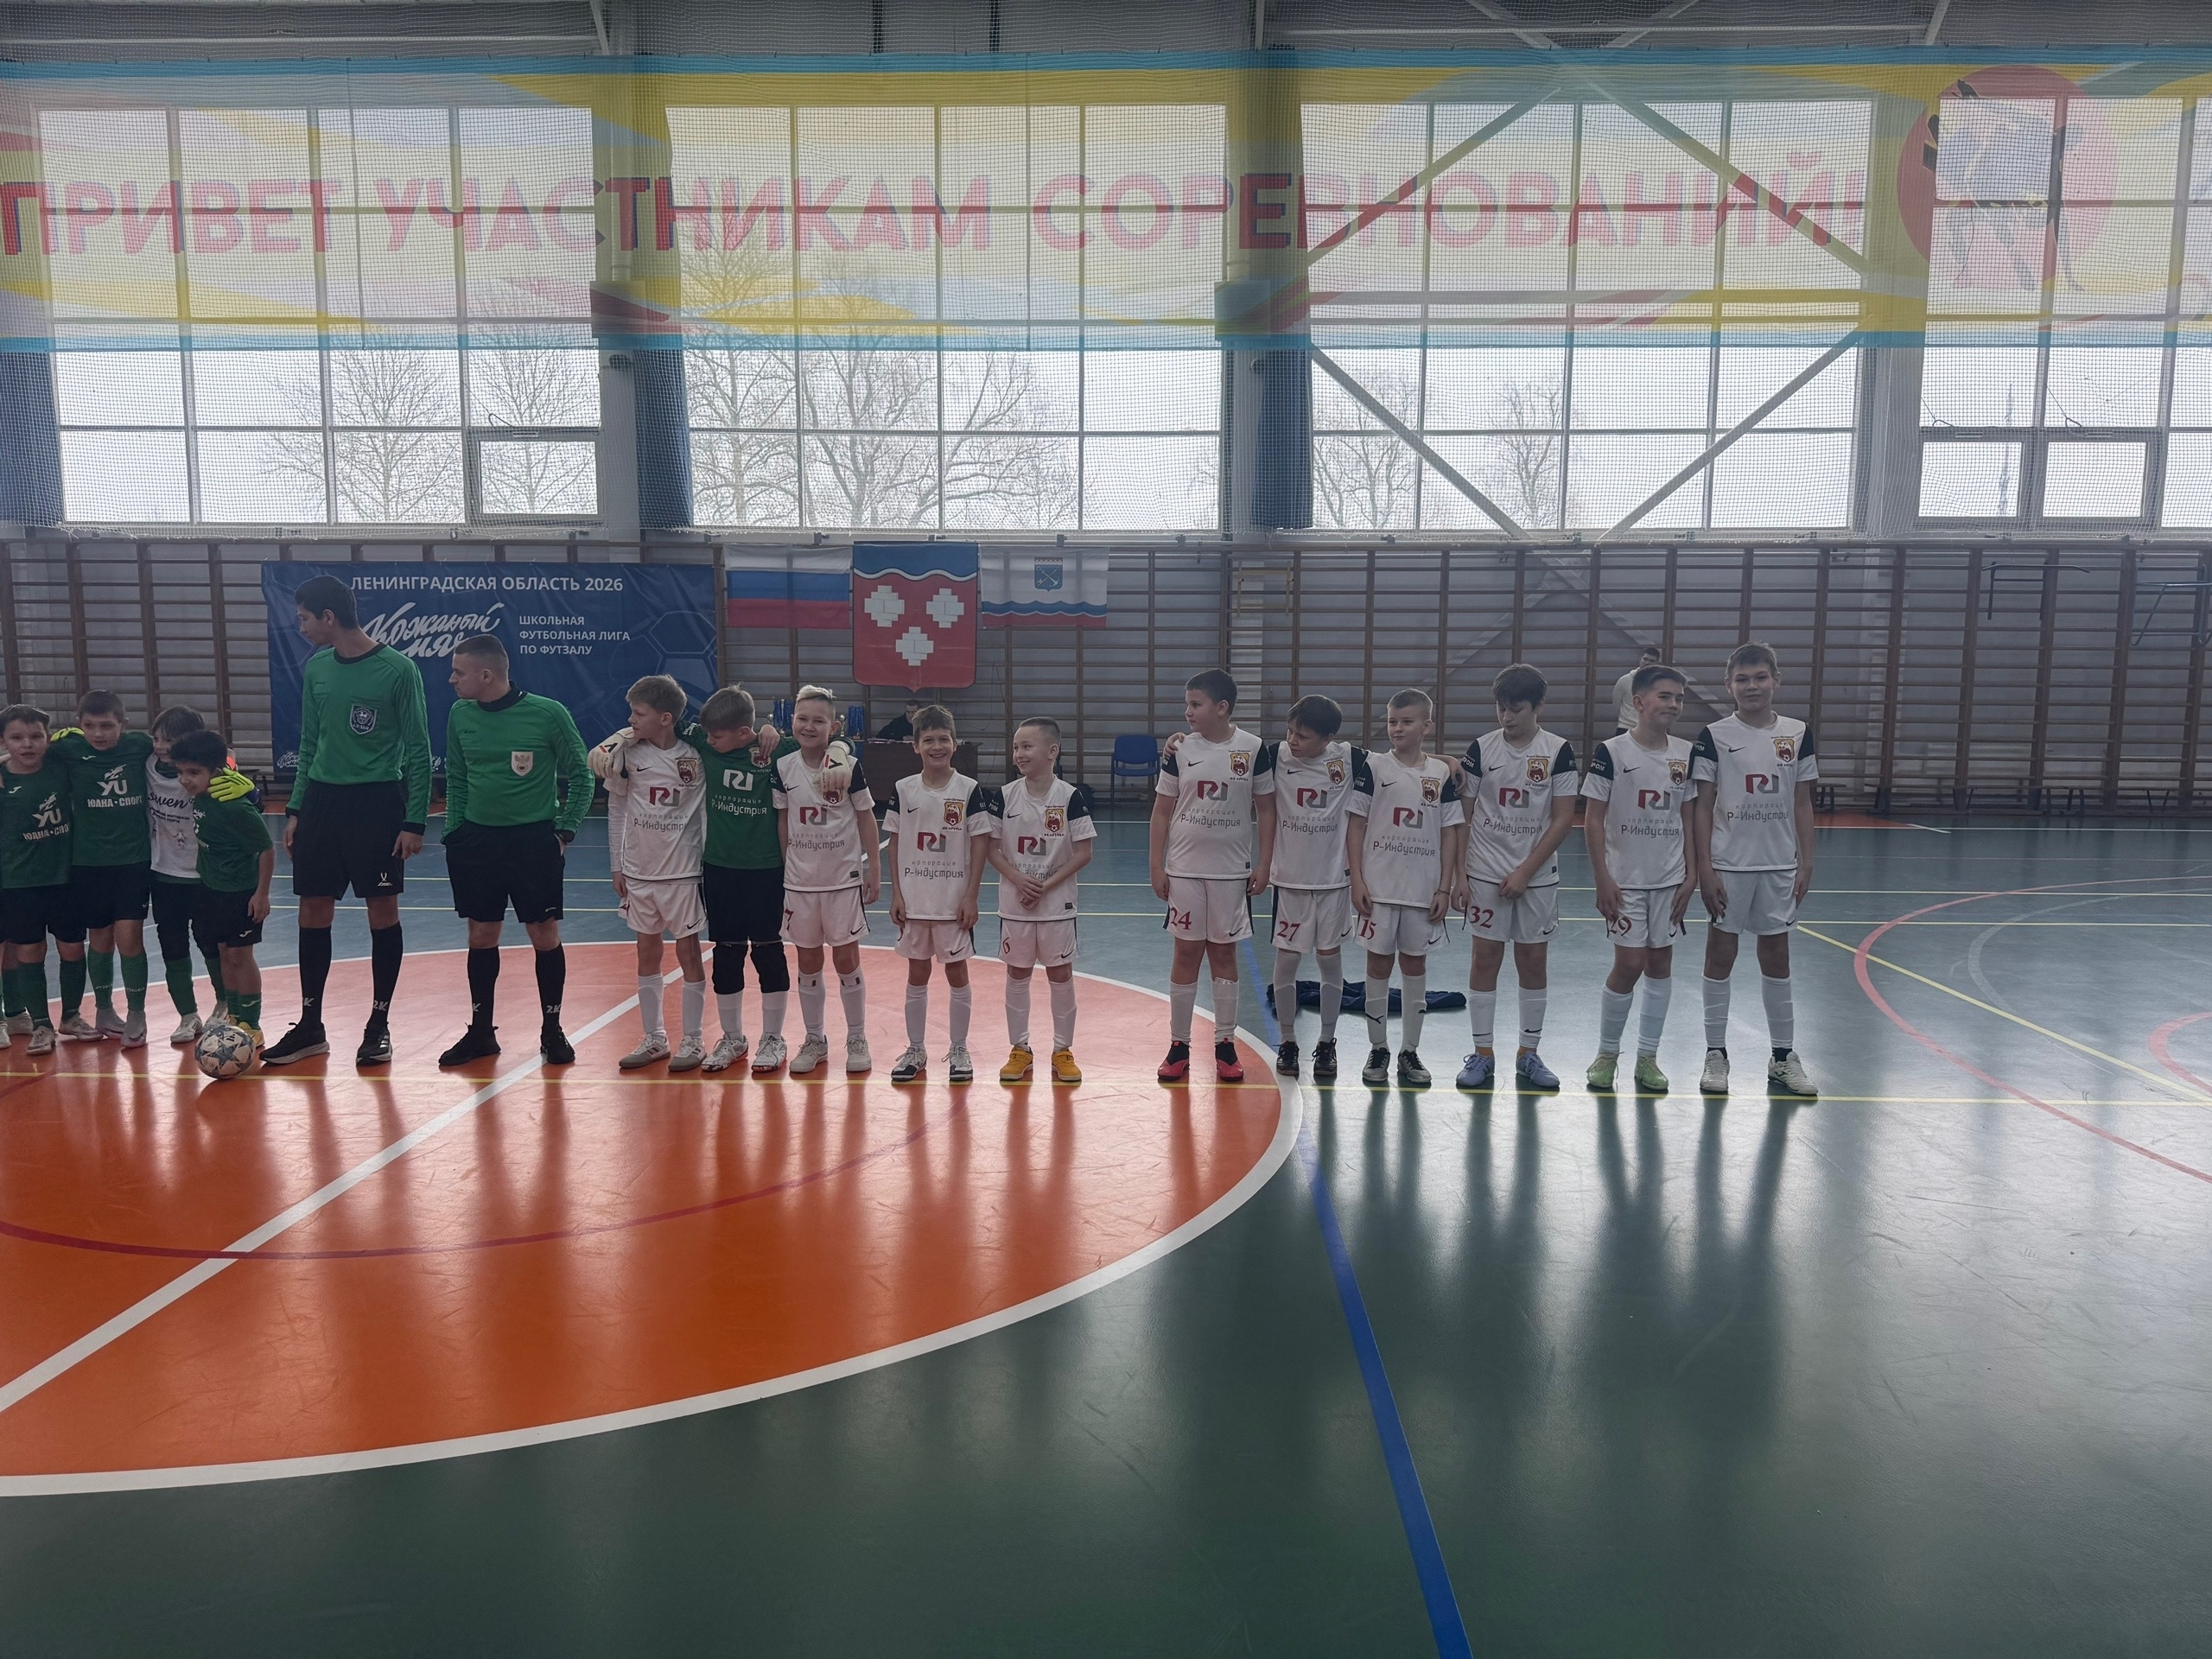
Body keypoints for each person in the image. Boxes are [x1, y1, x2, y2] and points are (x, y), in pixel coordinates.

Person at [262, 573, 432, 1068]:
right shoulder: (317, 667)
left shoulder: (398, 670)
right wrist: (296, 809)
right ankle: (310, 1026)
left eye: (304, 618)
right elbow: (309, 742)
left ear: (329, 617)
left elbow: (419, 749)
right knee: (313, 911)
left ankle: (378, 1026)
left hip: (377, 805)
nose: (301, 628)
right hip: (321, 803)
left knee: (383, 911)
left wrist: (414, 821)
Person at [436, 634, 592, 1069]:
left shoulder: (548, 714)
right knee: (481, 935)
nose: (451, 680)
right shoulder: (460, 714)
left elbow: (582, 775)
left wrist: (564, 831)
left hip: (532, 843)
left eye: (459, 672)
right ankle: (481, 1033)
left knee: (543, 934)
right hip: (476, 843)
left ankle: (552, 1029)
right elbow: (457, 777)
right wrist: (454, 832)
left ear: (486, 675)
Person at [1693, 642, 1820, 1098]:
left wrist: (1806, 861)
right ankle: (1715, 1055)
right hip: (1729, 864)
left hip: (1779, 864)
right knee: (1720, 956)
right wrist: (1705, 868)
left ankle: (1783, 1057)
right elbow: (1702, 806)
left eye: (1760, 677)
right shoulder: (1713, 735)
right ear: (1729, 686)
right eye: (1742, 679)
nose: (1752, 686)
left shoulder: (1797, 733)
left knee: (1777, 958)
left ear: (1775, 681)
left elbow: (1802, 801)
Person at [1452, 664, 1578, 1092]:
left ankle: (1529, 1053)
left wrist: (1525, 871)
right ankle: (1482, 1054)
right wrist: (1460, 875)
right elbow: (1463, 815)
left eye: (1517, 709)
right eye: (1501, 708)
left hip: (1536, 877)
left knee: (1533, 962)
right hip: (1485, 872)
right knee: (1484, 960)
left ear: (1538, 706)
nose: (1507, 717)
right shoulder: (1482, 749)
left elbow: (1563, 819)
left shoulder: (1558, 751)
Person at [1150, 669, 1276, 1084]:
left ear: (1222, 708)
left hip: (1231, 873)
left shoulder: (1253, 748)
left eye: (1196, 704)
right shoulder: (1179, 749)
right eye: (1187, 704)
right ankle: (1179, 1045)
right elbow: (1162, 810)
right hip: (1184, 870)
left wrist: (1264, 864)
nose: (1187, 712)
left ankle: (1225, 1044)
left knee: (1224, 956)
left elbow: (1267, 809)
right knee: (1185, 954)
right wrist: (1156, 865)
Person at [1581, 663, 1699, 1094]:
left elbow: (1688, 816)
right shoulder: (1612, 752)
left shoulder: (1686, 753)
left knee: (1661, 964)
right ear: (1638, 702)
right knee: (1629, 964)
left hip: (1669, 879)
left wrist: (1691, 875)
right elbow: (1593, 819)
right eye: (1664, 696)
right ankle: (1607, 1054)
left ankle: (1648, 1057)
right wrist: (1602, 877)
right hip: (1625, 880)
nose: (1673, 704)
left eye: (1679, 698)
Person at [1345, 689, 1463, 1089]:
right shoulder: (1374, 766)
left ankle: (1410, 1051)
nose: (1397, 728)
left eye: (1407, 722)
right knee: (1377, 968)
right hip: (1378, 890)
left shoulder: (1440, 774)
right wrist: (1357, 879)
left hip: (1422, 892)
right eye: (1392, 721)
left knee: (1415, 967)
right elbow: (1356, 825)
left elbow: (1450, 832)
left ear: (1427, 726)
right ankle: (1378, 1048)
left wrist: (1444, 888)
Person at [604, 675, 710, 1071]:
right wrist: (617, 865)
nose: (630, 720)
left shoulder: (696, 755)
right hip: (640, 872)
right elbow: (617, 810)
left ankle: (694, 1040)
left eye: (639, 713)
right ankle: (654, 1038)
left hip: (683, 873)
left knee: (689, 952)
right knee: (646, 952)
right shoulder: (627, 756)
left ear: (666, 718)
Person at [775, 684, 881, 1077]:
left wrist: (874, 867)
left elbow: (866, 816)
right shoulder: (784, 767)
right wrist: (786, 866)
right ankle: (814, 1039)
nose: (809, 726)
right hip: (800, 883)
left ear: (833, 727)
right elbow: (784, 819)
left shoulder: (847, 766)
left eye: (818, 721)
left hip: (841, 880)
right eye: (802, 719)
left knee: (846, 959)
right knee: (807, 962)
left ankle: (857, 1038)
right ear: (792, 721)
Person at [884, 706, 993, 1084]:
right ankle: (916, 1048)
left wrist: (971, 896)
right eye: (928, 740)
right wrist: (897, 894)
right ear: (915, 746)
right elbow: (894, 843)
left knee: (957, 973)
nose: (937, 746)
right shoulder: (903, 789)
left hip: (952, 901)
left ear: (955, 743)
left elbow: (980, 844)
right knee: (917, 973)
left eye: (943, 739)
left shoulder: (969, 789)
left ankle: (959, 1048)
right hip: (915, 900)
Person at [987, 716, 1094, 1086]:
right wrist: (1019, 880)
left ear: (1052, 751)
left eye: (1027, 746)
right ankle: (1020, 1049)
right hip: (1015, 904)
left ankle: (1063, 1050)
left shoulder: (1070, 797)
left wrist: (1045, 886)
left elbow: (1084, 852)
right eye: (1016, 747)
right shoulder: (1004, 796)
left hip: (1056, 906)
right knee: (1017, 974)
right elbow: (991, 849)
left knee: (1060, 975)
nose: (1019, 753)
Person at [48, 691, 156, 1044]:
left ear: (123, 725)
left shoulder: (140, 746)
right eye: (90, 725)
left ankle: (137, 1013)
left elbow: (190, 750)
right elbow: (22, 755)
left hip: (132, 861)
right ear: (79, 725)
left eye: (107, 726)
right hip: (88, 862)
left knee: (130, 938)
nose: (98, 733)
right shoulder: (68, 748)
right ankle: (105, 1009)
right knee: (100, 939)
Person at [1262, 695, 1360, 1084]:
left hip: (1334, 882)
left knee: (1330, 963)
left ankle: (1327, 1042)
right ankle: (1288, 1040)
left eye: (1302, 736)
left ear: (1328, 738)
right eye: (1290, 731)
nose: (1292, 740)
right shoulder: (1275, 756)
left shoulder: (1349, 759)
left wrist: (1446, 761)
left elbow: (1402, 761)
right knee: (1286, 963)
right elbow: (1223, 754)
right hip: (1290, 882)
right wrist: (1180, 742)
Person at [146, 707, 245, 1045]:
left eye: (169, 740)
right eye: (156, 738)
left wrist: (248, 788)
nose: (161, 746)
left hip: (203, 875)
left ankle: (224, 1002)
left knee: (211, 944)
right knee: (172, 947)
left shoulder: (212, 774)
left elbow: (226, 758)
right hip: (164, 874)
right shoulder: (147, 764)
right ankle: (187, 1015)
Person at [170, 729, 274, 1046]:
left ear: (215, 770)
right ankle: (234, 1015)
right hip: (211, 890)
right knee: (224, 954)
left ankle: (252, 1023)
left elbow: (266, 849)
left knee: (241, 956)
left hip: (240, 893)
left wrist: (261, 894)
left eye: (193, 772)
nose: (185, 780)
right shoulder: (201, 795)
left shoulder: (234, 806)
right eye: (180, 772)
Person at [0, 705, 79, 1056]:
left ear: (48, 738)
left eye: (36, 736)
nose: (27, 744)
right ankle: (41, 1024)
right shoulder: (3, 780)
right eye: (17, 738)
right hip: (19, 883)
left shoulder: (61, 766)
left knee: (72, 949)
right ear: (4, 741)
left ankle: (72, 1016)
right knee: (30, 951)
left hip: (65, 878)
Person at [1613, 645, 1666, 734]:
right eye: (1645, 659)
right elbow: (1616, 702)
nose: (1647, 663)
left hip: (1649, 728)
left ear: (1656, 664)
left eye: (1651, 661)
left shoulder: (1659, 684)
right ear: (1640, 660)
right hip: (1625, 727)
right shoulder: (1625, 680)